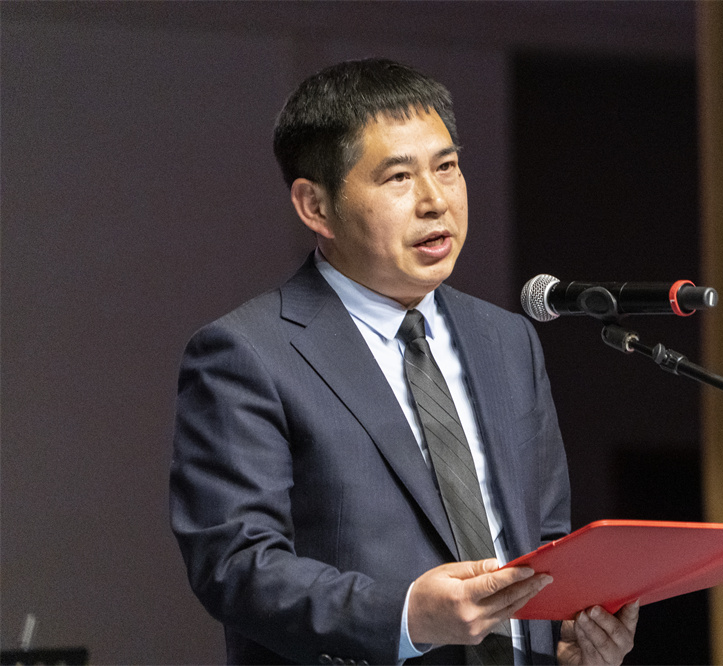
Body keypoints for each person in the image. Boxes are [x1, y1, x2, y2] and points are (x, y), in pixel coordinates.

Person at [169, 58, 639, 665]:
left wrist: (564, 636)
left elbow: (544, 537)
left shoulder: (508, 340)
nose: (435, 200)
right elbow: (236, 565)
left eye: (447, 167)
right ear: (315, 206)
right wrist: (406, 616)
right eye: (398, 177)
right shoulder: (247, 354)